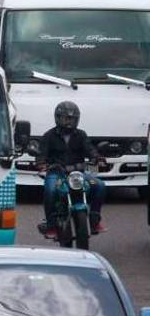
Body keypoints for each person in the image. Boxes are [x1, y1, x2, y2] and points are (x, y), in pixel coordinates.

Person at [37, 101, 106, 238]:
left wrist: (97, 158)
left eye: (73, 119)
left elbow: (90, 149)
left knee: (100, 185)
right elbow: (41, 155)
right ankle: (51, 225)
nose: (70, 122)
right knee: (50, 190)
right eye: (67, 118)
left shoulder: (81, 135)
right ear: (58, 117)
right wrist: (41, 163)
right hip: (57, 173)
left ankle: (94, 219)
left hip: (78, 173)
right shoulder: (49, 136)